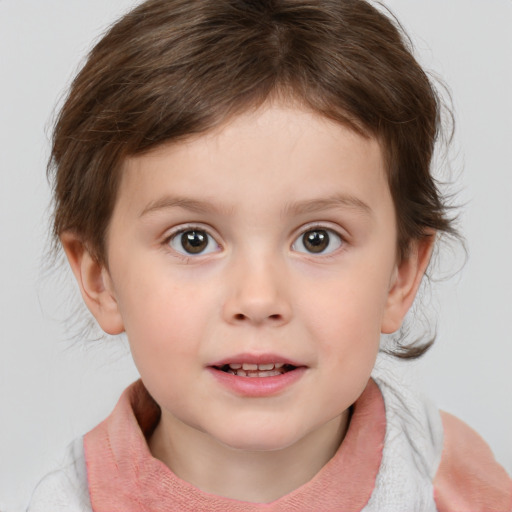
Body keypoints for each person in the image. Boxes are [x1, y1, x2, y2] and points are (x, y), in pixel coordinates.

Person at [28, 0, 512, 510]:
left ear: (401, 274)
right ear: (98, 275)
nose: (258, 300)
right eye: (192, 240)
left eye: (317, 239)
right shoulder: (68, 500)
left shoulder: (450, 479)